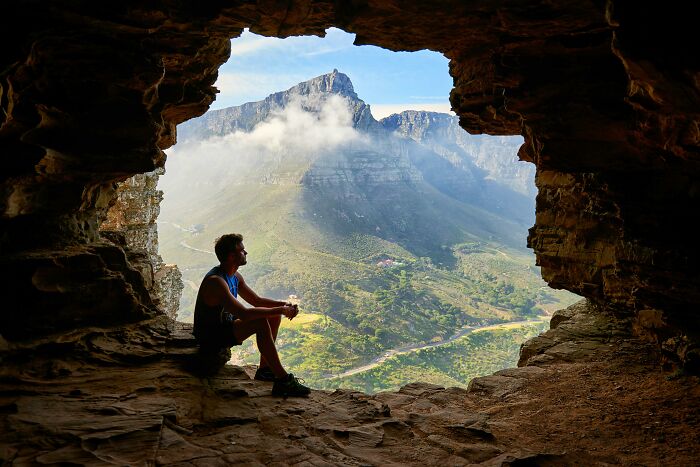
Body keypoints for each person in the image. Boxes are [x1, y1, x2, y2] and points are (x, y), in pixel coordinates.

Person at [193, 233, 310, 397]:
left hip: (225, 326)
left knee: (273, 316)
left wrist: (282, 305)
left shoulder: (234, 276)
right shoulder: (216, 281)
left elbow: (256, 300)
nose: (246, 252)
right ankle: (283, 380)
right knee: (260, 323)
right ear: (232, 256)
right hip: (211, 335)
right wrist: (282, 310)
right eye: (242, 250)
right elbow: (245, 314)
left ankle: (265, 370)